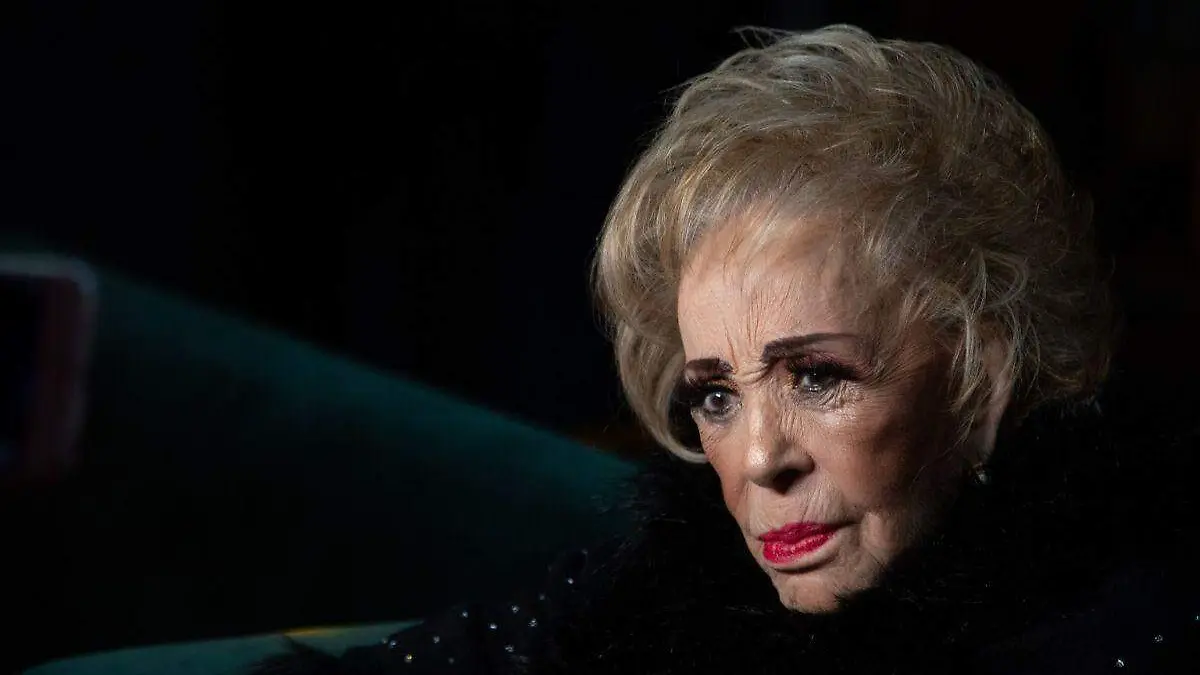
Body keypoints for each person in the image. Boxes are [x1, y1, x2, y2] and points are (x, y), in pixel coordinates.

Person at [256, 25, 1199, 674]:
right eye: (716, 395)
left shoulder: (1127, 631)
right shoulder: (645, 595)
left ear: (978, 381)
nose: (758, 458)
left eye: (818, 376)